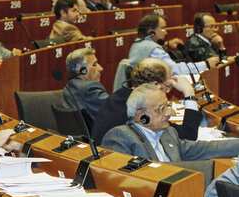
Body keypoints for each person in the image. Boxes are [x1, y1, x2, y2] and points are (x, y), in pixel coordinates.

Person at [102, 83, 239, 161]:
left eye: (167, 106)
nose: (169, 113)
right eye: (161, 109)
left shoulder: (168, 133)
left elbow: (205, 148)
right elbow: (121, 178)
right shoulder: (120, 135)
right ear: (141, 115)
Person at [92, 58, 200, 143]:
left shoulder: (120, 95)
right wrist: (189, 94)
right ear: (155, 84)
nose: (167, 91)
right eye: (168, 85)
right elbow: (189, 135)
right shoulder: (143, 107)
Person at [128, 13, 218, 76]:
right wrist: (206, 64)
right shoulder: (155, 50)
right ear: (151, 32)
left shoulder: (137, 44)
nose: (166, 33)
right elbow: (174, 70)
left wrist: (166, 45)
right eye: (163, 29)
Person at [61, 48, 108, 122]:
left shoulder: (69, 87)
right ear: (82, 70)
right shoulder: (90, 88)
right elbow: (114, 111)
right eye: (94, 64)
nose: (101, 68)